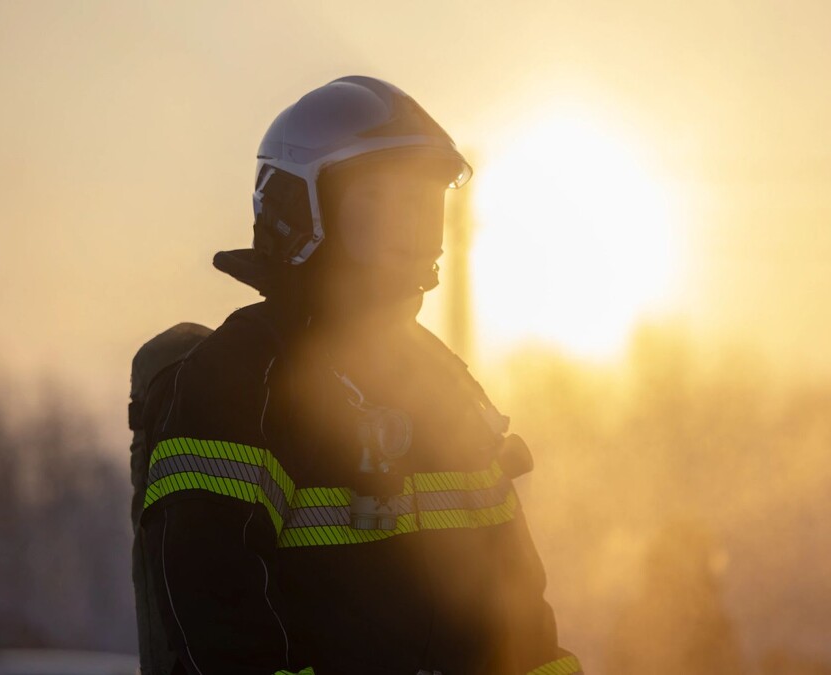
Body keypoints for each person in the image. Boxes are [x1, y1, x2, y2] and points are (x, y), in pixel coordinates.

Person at [136, 75, 582, 675]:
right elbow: (216, 605)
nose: (410, 224)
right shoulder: (241, 378)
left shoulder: (441, 380)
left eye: (423, 201)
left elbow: (512, 599)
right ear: (298, 205)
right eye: (379, 198)